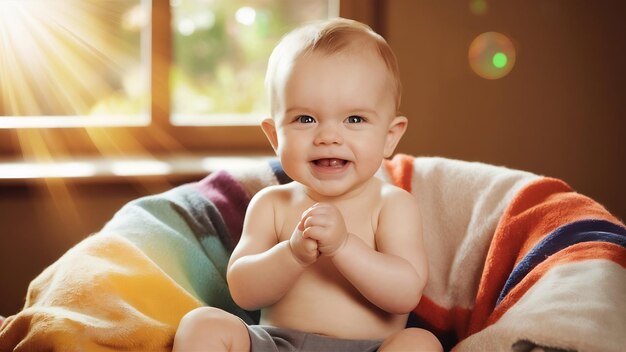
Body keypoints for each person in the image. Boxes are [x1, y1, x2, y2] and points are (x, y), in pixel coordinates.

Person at [173, 17, 442, 352]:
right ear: (275, 136)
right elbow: (243, 289)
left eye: (354, 119)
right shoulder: (272, 204)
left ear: (389, 137)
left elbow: (405, 293)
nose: (328, 137)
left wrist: (344, 246)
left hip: (369, 348)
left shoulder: (392, 204)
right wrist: (292, 253)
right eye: (305, 119)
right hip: (275, 344)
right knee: (203, 324)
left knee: (420, 343)